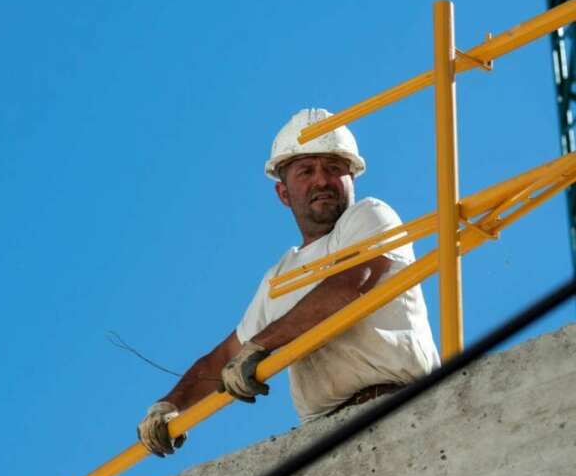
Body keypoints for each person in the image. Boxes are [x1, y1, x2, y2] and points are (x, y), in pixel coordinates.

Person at [137, 108, 440, 457]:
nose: (322, 180)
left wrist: (262, 344)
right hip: (325, 437)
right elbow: (225, 356)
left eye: (333, 168)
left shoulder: (370, 216)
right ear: (283, 193)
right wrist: (170, 406)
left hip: (401, 410)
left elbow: (350, 284)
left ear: (351, 178)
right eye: (306, 171)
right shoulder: (282, 276)